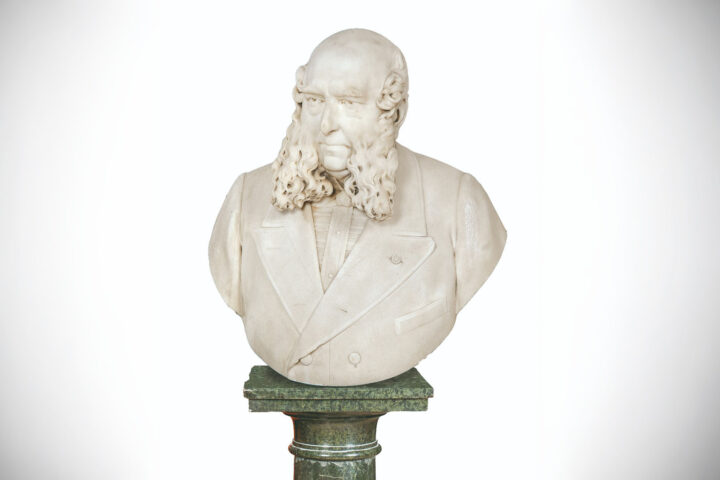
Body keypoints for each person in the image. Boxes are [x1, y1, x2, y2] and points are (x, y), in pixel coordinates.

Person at [209, 29, 506, 386]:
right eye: (315, 101)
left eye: (349, 103)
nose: (326, 125)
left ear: (394, 113)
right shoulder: (246, 198)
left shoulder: (458, 202)